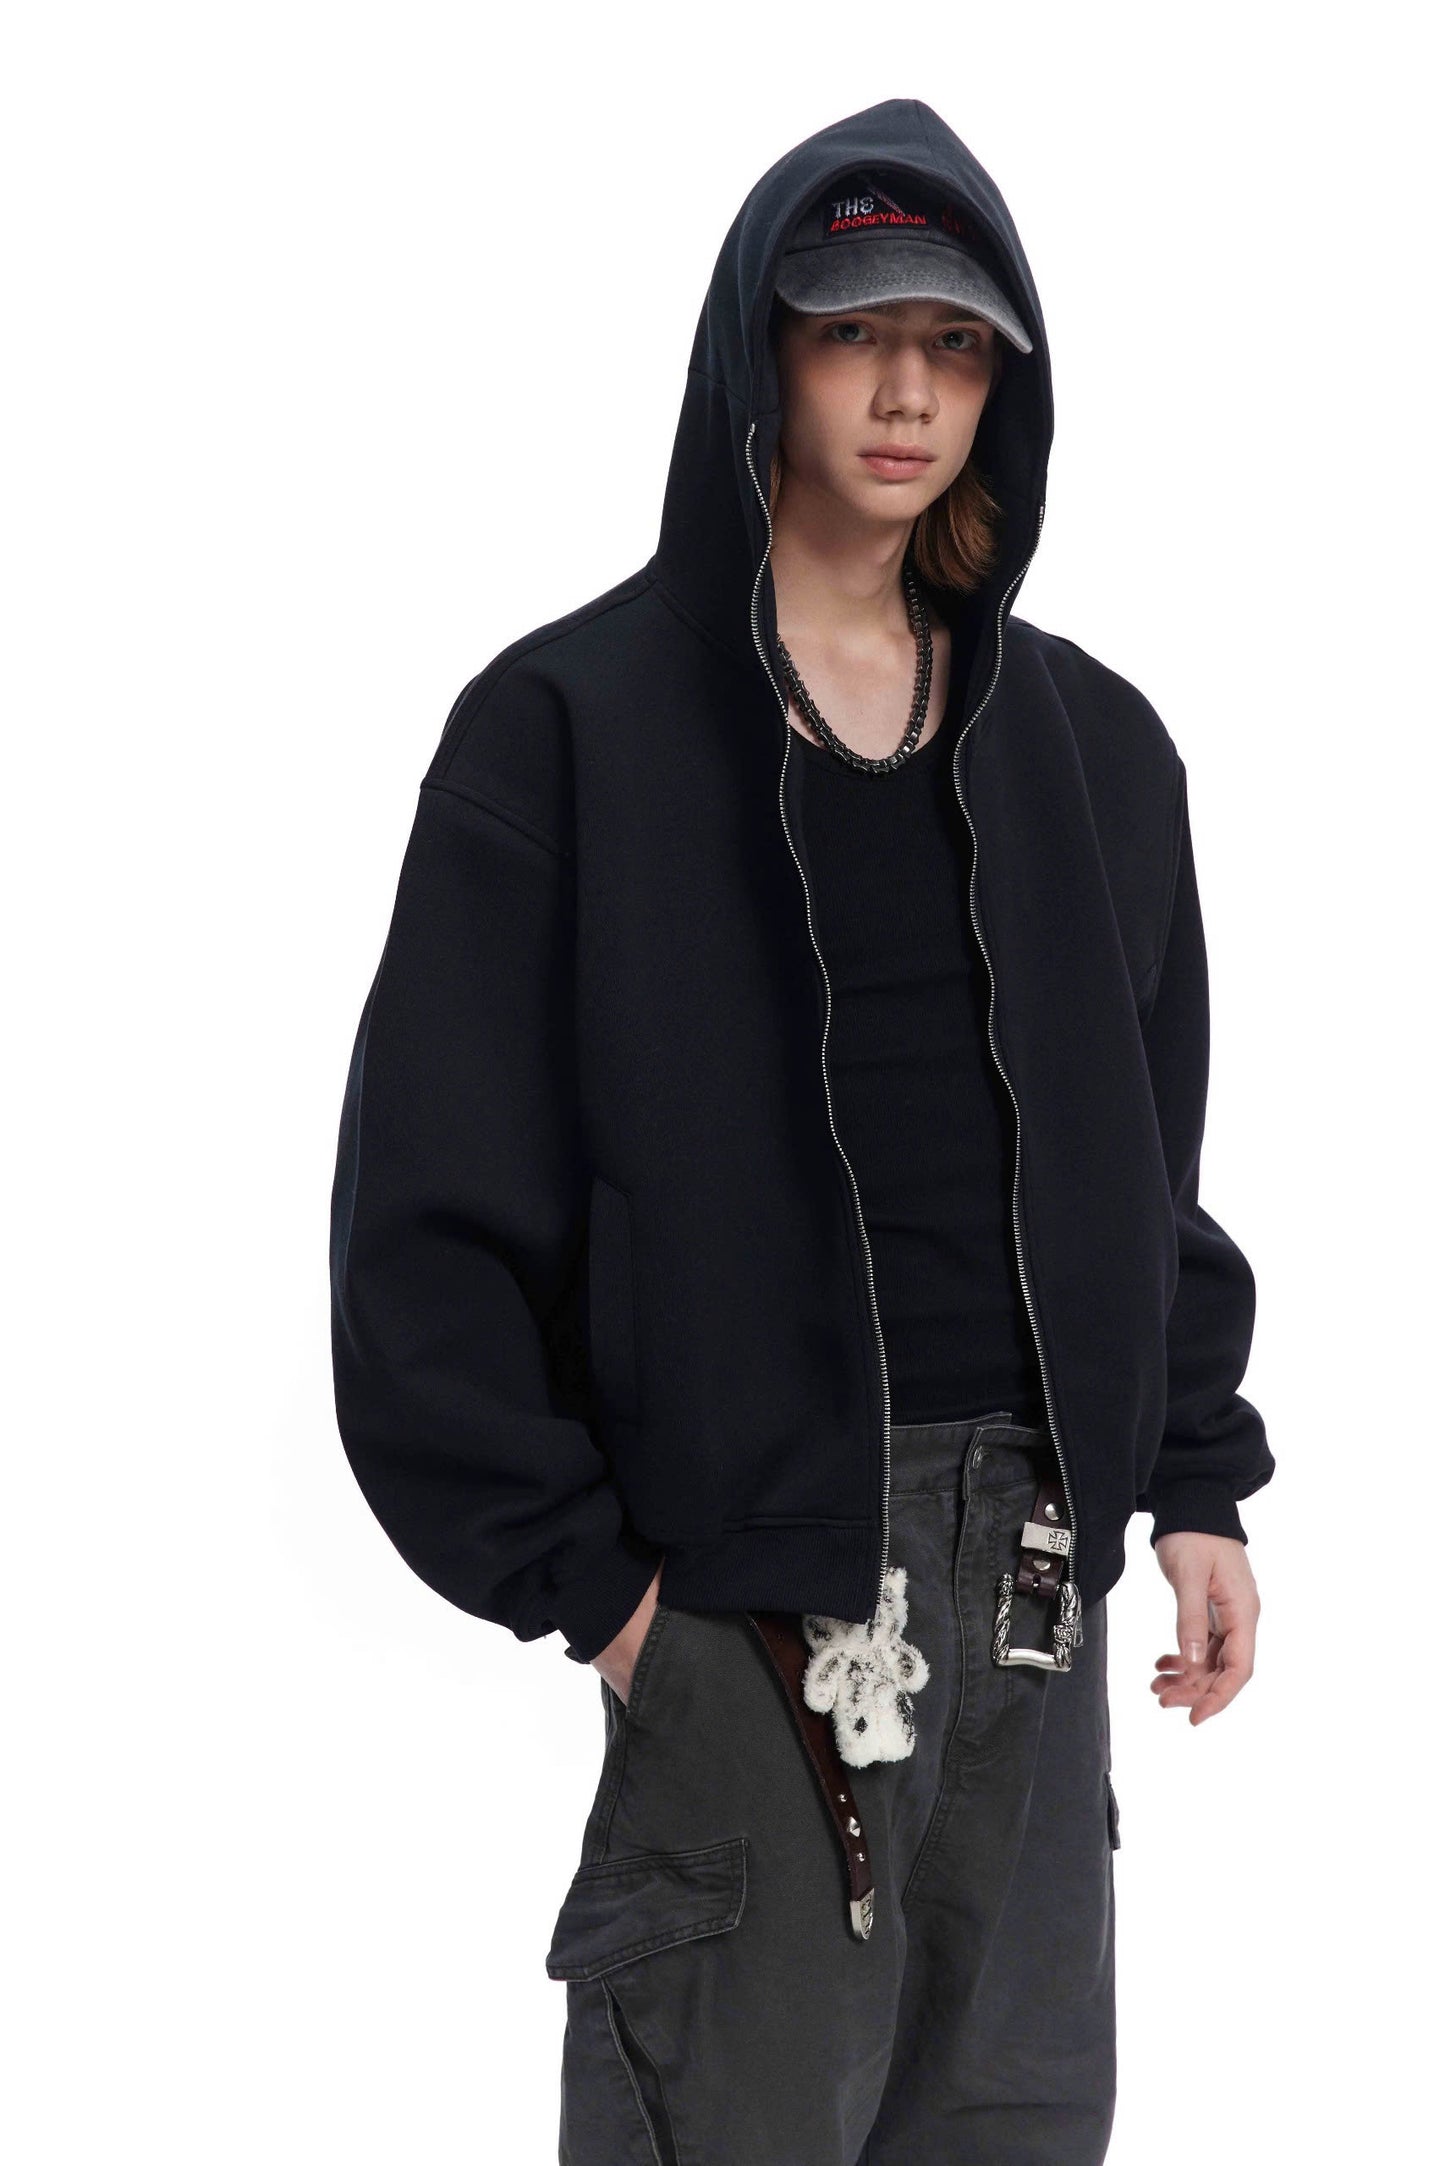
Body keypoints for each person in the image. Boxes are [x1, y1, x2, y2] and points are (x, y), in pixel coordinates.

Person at [329, 98, 1273, 2166]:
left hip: (1038, 1578)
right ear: (760, 356)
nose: (908, 391)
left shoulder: (1098, 751)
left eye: (953, 342)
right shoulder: (565, 731)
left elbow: (1153, 1161)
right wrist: (607, 1597)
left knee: (1012, 2127)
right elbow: (421, 1226)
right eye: (854, 334)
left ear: (1005, 383)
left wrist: (1192, 1475)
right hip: (748, 1590)